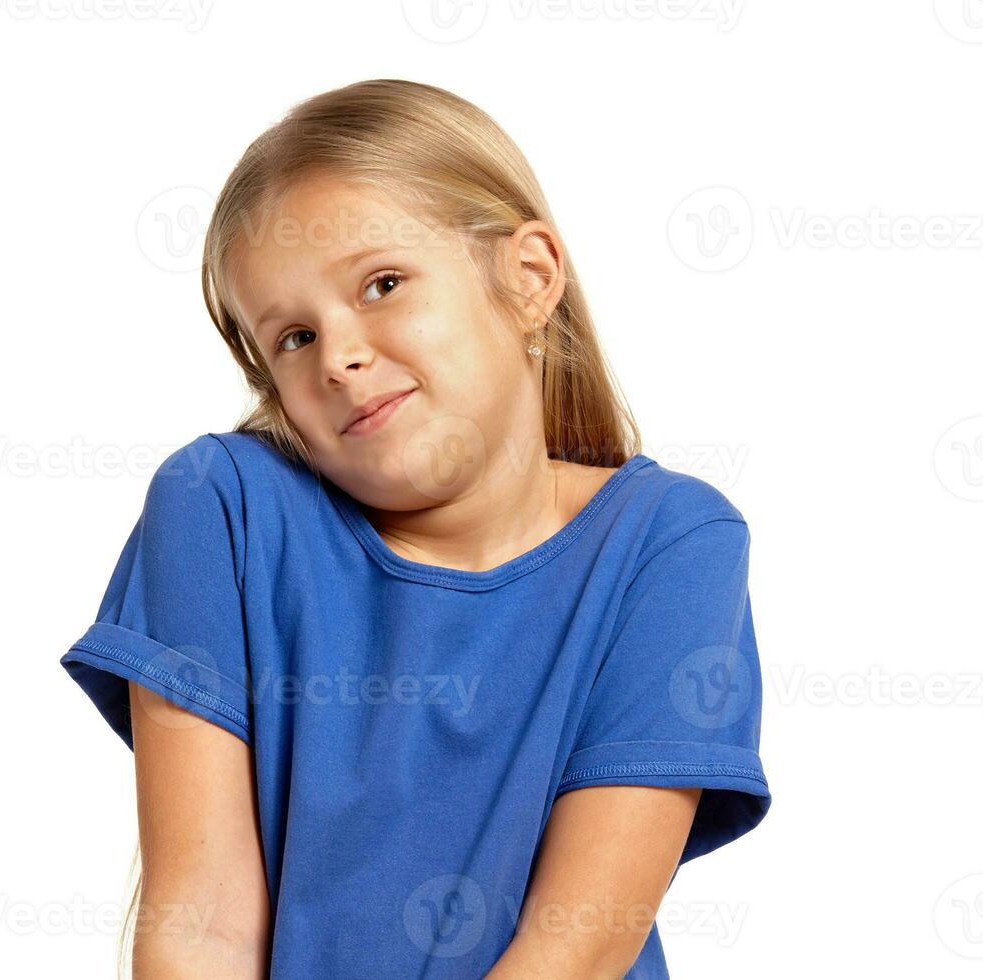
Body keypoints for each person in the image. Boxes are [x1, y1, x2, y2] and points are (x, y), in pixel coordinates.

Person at [60, 78, 771, 979]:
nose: (341, 356)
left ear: (528, 279)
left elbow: (580, 945)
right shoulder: (219, 505)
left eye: (383, 284)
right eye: (292, 338)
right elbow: (201, 923)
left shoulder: (671, 540)